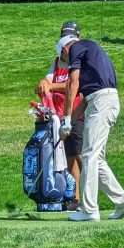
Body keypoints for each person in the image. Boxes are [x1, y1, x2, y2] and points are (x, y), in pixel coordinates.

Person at [57, 32, 124, 222]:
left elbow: (72, 83)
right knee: (97, 159)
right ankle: (123, 202)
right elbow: (84, 100)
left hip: (102, 102)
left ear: (65, 48)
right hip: (103, 101)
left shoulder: (76, 47)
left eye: (64, 58)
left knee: (89, 155)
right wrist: (67, 123)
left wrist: (67, 118)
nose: (66, 63)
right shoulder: (90, 55)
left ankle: (89, 209)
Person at [36, 21, 86, 207]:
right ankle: (71, 197)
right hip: (58, 116)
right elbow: (46, 82)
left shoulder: (79, 58)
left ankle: (79, 198)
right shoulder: (57, 61)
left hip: (76, 112)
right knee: (65, 157)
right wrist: (43, 82)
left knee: (77, 155)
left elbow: (74, 85)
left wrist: (51, 86)